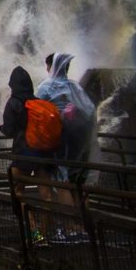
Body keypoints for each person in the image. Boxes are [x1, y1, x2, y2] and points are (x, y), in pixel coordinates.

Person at [0, 66, 58, 242]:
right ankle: (47, 232)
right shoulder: (36, 101)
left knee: (18, 190)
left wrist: (3, 128)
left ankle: (34, 232)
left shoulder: (13, 103)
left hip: (24, 152)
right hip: (43, 151)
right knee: (46, 193)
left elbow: (9, 130)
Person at [37, 52, 97, 182]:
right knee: (77, 176)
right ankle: (81, 201)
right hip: (80, 135)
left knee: (62, 176)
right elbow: (90, 109)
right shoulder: (75, 86)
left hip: (60, 135)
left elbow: (37, 110)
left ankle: (66, 201)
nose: (47, 69)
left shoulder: (46, 86)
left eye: (48, 66)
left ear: (52, 67)